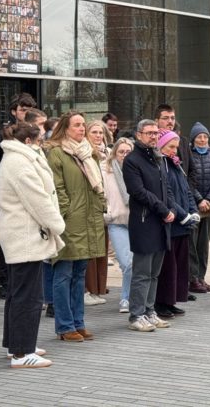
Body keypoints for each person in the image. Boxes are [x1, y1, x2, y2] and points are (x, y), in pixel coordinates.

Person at [0, 121, 65, 369]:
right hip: (25, 235)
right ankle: (22, 352)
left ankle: (16, 344)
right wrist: (57, 224)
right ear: (28, 141)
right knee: (28, 296)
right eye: (40, 139)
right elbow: (37, 199)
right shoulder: (19, 162)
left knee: (18, 294)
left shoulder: (19, 158)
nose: (43, 143)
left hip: (23, 234)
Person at [45, 111, 107, 341]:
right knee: (63, 273)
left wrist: (101, 205)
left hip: (89, 219)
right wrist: (66, 213)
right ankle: (64, 325)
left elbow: (97, 185)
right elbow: (57, 189)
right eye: (77, 125)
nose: (82, 129)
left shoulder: (89, 153)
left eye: (83, 125)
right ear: (65, 128)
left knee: (80, 274)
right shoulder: (57, 153)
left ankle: (78, 322)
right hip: (70, 221)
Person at [122, 120, 176, 332]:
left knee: (154, 273)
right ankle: (136, 315)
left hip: (162, 222)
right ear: (138, 135)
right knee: (142, 272)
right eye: (149, 133)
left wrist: (172, 209)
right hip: (145, 221)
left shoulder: (158, 158)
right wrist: (163, 209)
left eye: (156, 133)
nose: (153, 137)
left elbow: (166, 187)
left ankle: (149, 310)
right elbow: (138, 192)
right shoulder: (132, 160)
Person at [0, 91, 37, 299]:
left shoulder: (35, 135)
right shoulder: (1, 136)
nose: (26, 113)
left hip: (29, 193)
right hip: (7, 195)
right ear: (14, 112)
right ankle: (4, 281)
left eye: (29, 110)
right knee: (6, 237)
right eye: (23, 110)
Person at [155, 130, 199, 318]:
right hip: (171, 222)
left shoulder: (176, 165)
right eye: (170, 147)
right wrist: (182, 215)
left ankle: (173, 299)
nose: (174, 150)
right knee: (168, 266)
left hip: (182, 224)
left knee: (181, 264)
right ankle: (162, 302)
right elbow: (168, 195)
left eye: (176, 147)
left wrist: (193, 210)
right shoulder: (161, 164)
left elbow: (186, 190)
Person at [188, 122, 210, 294]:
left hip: (209, 207)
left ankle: (201, 277)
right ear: (193, 139)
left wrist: (209, 198)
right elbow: (188, 181)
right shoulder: (189, 155)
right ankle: (192, 278)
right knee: (192, 244)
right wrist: (200, 200)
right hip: (194, 206)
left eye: (205, 137)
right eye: (199, 137)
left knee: (204, 244)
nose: (202, 140)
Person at [103, 138, 134, 314]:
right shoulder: (106, 171)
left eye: (128, 152)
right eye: (121, 152)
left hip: (137, 222)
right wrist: (107, 214)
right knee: (126, 262)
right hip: (117, 222)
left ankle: (130, 296)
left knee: (136, 263)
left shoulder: (136, 170)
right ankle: (125, 298)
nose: (124, 155)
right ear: (115, 153)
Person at [84, 120, 111, 306]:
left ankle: (98, 289)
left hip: (107, 206)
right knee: (90, 252)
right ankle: (87, 290)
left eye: (100, 132)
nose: (98, 136)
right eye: (94, 132)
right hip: (91, 207)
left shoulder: (108, 153)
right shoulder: (84, 153)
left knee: (101, 251)